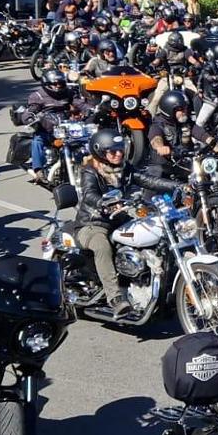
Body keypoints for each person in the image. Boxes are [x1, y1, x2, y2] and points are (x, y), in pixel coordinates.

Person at [74, 127, 176, 314]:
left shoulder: (125, 168)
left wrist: (178, 186)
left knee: (156, 234)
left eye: (120, 149)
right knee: (102, 246)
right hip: (93, 223)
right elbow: (89, 194)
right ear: (100, 152)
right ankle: (115, 298)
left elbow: (148, 180)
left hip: (119, 219)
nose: (118, 154)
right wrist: (103, 203)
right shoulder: (90, 170)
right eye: (113, 151)